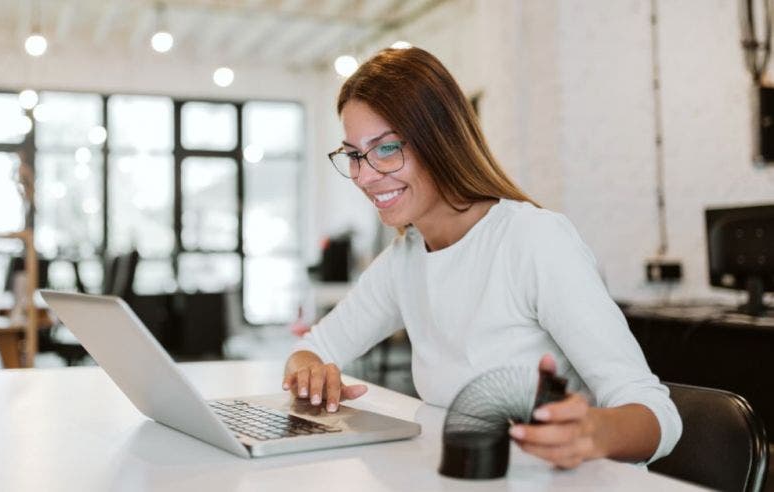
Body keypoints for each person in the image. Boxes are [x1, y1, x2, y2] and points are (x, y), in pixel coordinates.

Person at [282, 47, 681, 468]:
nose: (363, 176)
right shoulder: (404, 260)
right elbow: (314, 347)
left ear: (440, 140)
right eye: (354, 155)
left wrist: (593, 430)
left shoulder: (533, 240)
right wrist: (310, 371)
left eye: (386, 148)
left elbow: (656, 413)